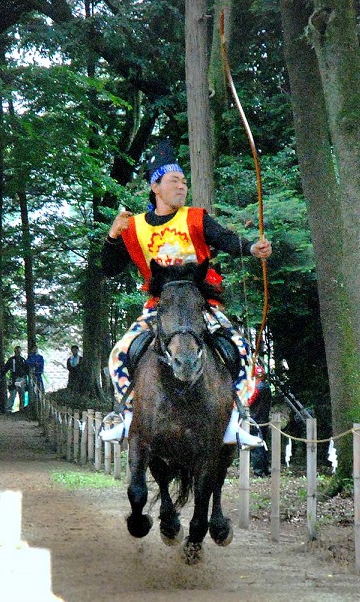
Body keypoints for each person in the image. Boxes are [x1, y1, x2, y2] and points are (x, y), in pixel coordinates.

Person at [98, 140, 271, 448]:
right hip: (159, 307)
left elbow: (225, 239)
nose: (182, 186)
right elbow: (109, 269)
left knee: (242, 351)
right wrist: (112, 236)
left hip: (201, 305)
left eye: (184, 181)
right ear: (155, 186)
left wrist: (251, 248)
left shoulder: (195, 218)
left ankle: (237, 419)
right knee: (118, 355)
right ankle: (126, 415)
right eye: (174, 181)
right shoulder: (134, 227)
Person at [248, 365, 273, 477]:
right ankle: (266, 468)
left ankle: (258, 471)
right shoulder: (267, 387)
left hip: (256, 420)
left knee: (256, 445)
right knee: (263, 445)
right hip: (264, 419)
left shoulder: (257, 388)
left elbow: (249, 401)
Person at [0, 346, 30, 412]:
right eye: (17, 351)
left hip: (22, 379)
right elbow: (5, 368)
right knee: (13, 393)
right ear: (15, 351)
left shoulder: (23, 360)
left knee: (22, 394)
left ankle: (21, 408)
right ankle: (8, 408)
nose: (18, 352)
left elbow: (27, 370)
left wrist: (27, 379)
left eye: (19, 351)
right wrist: (0, 372)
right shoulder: (11, 360)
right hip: (14, 378)